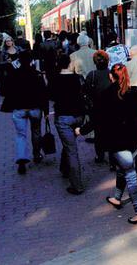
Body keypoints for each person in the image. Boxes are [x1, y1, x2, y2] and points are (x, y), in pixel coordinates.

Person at [86, 64, 137, 224]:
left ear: (111, 77)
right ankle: (117, 198)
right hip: (136, 141)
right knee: (124, 169)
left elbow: (96, 119)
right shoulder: (135, 92)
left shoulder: (106, 95)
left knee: (130, 175)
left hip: (118, 143)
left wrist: (82, 130)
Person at [0, 51, 48, 174]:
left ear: (19, 61)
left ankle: (22, 158)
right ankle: (36, 154)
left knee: (21, 135)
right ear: (31, 61)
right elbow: (44, 93)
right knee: (36, 131)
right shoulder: (37, 75)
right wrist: (46, 111)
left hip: (19, 108)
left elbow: (5, 91)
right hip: (35, 108)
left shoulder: (13, 74)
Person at [50, 54, 85, 195]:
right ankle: (64, 168)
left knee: (71, 150)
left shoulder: (54, 79)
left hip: (63, 117)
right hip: (78, 116)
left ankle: (77, 185)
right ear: (70, 63)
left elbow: (51, 96)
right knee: (69, 144)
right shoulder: (78, 78)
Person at [84, 50, 113, 164]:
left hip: (96, 109)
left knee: (99, 133)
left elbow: (86, 91)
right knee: (111, 133)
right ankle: (112, 158)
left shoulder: (92, 75)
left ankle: (100, 156)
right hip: (111, 108)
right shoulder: (112, 74)